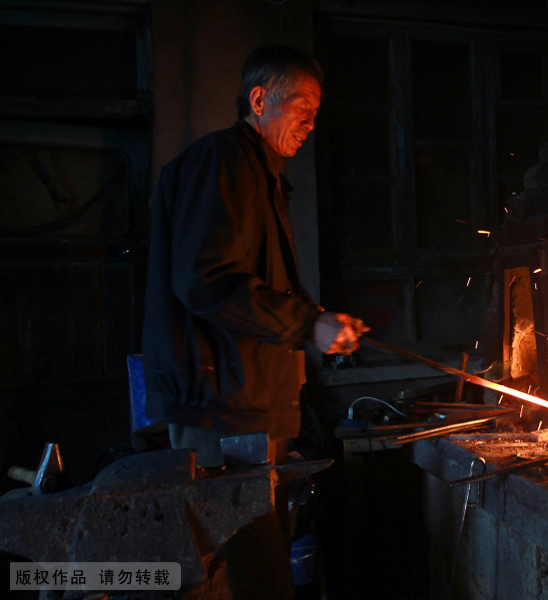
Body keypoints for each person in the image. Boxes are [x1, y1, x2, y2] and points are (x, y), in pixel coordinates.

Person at [142, 44, 363, 599]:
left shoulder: (262, 174)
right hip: (221, 409)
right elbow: (204, 279)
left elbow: (250, 283)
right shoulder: (223, 163)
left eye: (318, 108)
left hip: (248, 408)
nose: (312, 120)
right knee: (246, 574)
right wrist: (307, 324)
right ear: (259, 100)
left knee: (252, 569)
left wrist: (316, 320)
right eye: (301, 105)